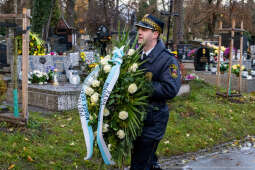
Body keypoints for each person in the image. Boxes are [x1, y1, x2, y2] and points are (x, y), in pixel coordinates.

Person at [130, 14, 181, 170]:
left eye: (145, 29)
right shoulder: (135, 55)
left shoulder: (167, 60)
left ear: (155, 34)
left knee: (139, 165)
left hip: (153, 121)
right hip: (135, 119)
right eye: (139, 28)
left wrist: (142, 85)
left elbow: (170, 88)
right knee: (147, 161)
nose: (139, 32)